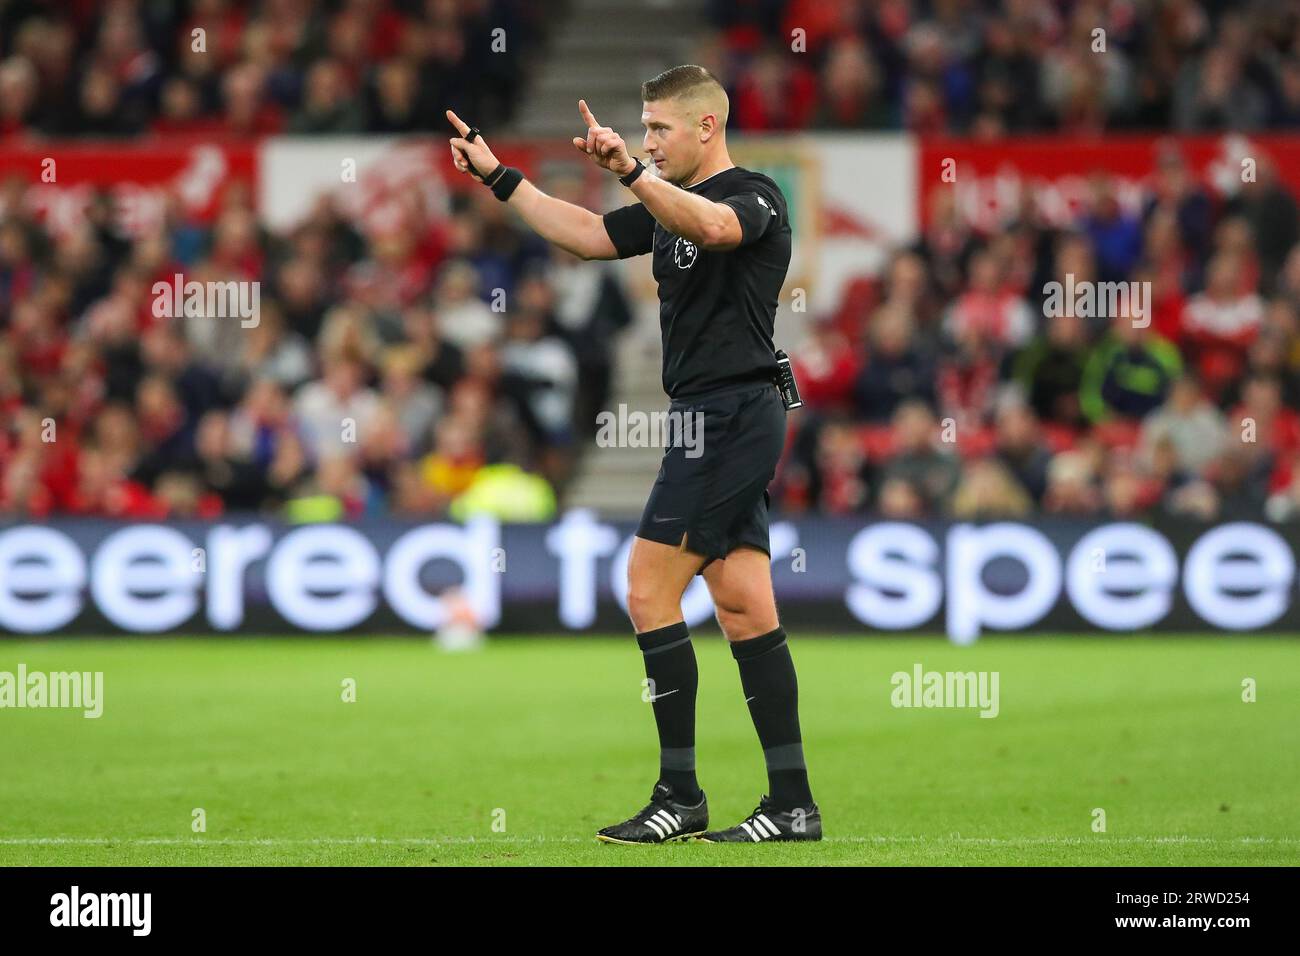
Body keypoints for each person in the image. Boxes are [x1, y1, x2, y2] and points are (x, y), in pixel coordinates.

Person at [446, 64, 820, 844]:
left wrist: (634, 171)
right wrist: (499, 177)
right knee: (745, 606)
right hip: (707, 416)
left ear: (705, 128)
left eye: (659, 128)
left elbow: (712, 230)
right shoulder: (664, 206)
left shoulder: (753, 196)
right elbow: (586, 236)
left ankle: (678, 793)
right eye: (643, 127)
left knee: (648, 587)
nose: (647, 139)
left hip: (730, 414)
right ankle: (791, 806)